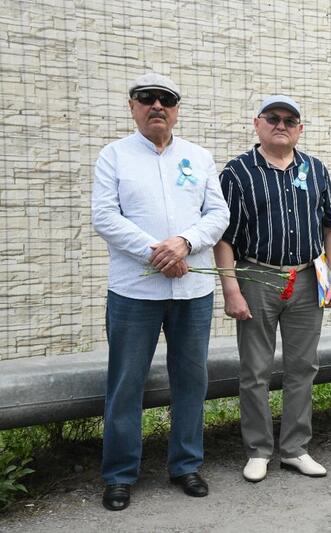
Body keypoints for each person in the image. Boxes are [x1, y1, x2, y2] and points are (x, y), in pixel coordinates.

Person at [91, 73, 230, 511]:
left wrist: (185, 243)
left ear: (176, 109)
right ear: (132, 106)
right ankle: (119, 474)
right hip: (134, 291)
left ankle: (186, 464)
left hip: (193, 290)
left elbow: (218, 214)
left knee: (191, 380)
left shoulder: (198, 156)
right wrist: (157, 252)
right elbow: (105, 216)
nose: (157, 106)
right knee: (125, 383)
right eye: (147, 98)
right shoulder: (114, 156)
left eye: (166, 100)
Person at [214, 95, 331, 483]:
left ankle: (295, 449)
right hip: (257, 276)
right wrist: (231, 290)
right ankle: (258, 450)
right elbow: (224, 238)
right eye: (272, 117)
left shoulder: (315, 169)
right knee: (255, 369)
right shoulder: (237, 172)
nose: (281, 125)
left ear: (300, 129)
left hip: (307, 278)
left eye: (290, 120)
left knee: (302, 367)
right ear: (257, 124)